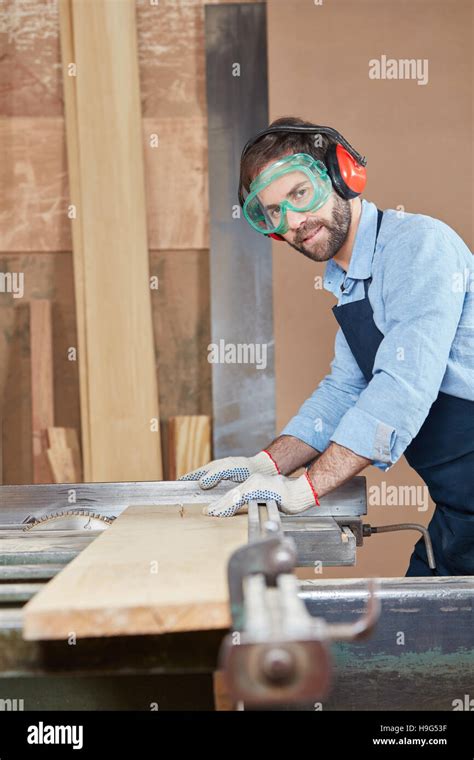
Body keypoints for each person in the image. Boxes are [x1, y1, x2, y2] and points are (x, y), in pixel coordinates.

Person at [181, 117, 473, 576]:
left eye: (299, 194)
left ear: (342, 175)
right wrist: (266, 464)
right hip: (462, 511)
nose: (293, 222)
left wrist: (304, 490)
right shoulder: (351, 281)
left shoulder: (417, 246)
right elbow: (344, 390)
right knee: (424, 627)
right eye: (273, 211)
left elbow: (403, 388)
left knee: (428, 634)